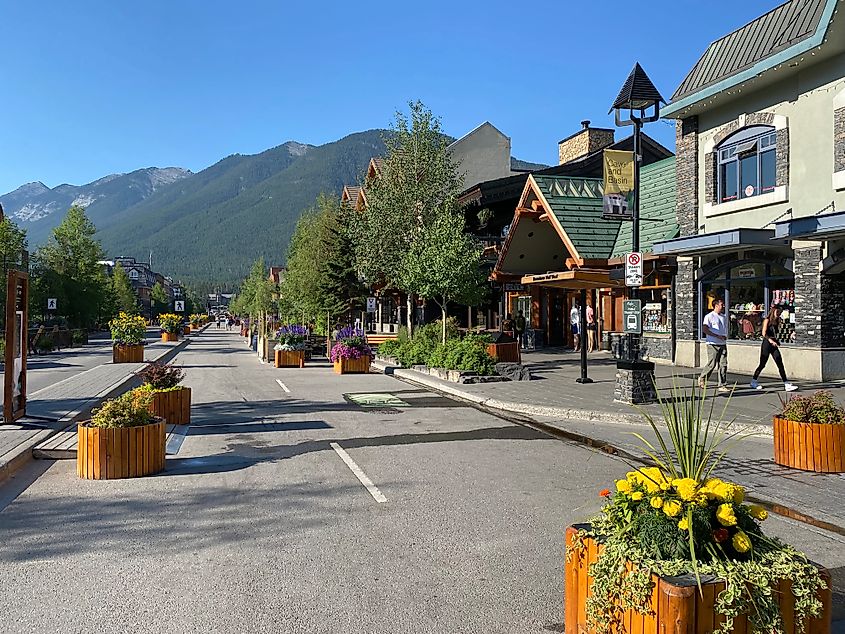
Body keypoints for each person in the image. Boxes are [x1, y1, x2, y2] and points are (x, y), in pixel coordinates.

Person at [750, 304, 797, 392]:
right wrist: (771, 340)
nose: (779, 314)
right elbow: (764, 333)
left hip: (774, 344)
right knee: (762, 364)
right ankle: (754, 381)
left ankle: (786, 383)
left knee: (779, 362)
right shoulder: (767, 320)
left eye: (780, 312)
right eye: (778, 312)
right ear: (773, 311)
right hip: (767, 343)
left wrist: (790, 332)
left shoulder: (777, 321)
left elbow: (780, 331)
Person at [698, 298, 730, 393]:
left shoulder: (723, 317)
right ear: (716, 306)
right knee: (712, 364)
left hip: (722, 343)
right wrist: (716, 336)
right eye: (721, 304)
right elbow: (705, 329)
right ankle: (702, 377)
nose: (723, 306)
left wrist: (724, 336)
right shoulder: (709, 316)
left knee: (723, 364)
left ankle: (722, 384)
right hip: (712, 343)